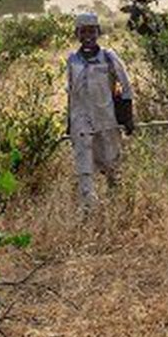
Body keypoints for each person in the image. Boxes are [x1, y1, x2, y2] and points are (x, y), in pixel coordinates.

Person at [66, 12, 133, 211]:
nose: (88, 36)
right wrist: (69, 122)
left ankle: (115, 203)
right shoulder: (72, 60)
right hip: (80, 120)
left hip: (106, 118)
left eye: (92, 31)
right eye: (83, 31)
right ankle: (88, 208)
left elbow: (126, 87)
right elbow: (71, 92)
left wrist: (127, 117)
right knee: (84, 165)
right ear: (77, 34)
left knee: (111, 162)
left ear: (98, 32)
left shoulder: (109, 57)